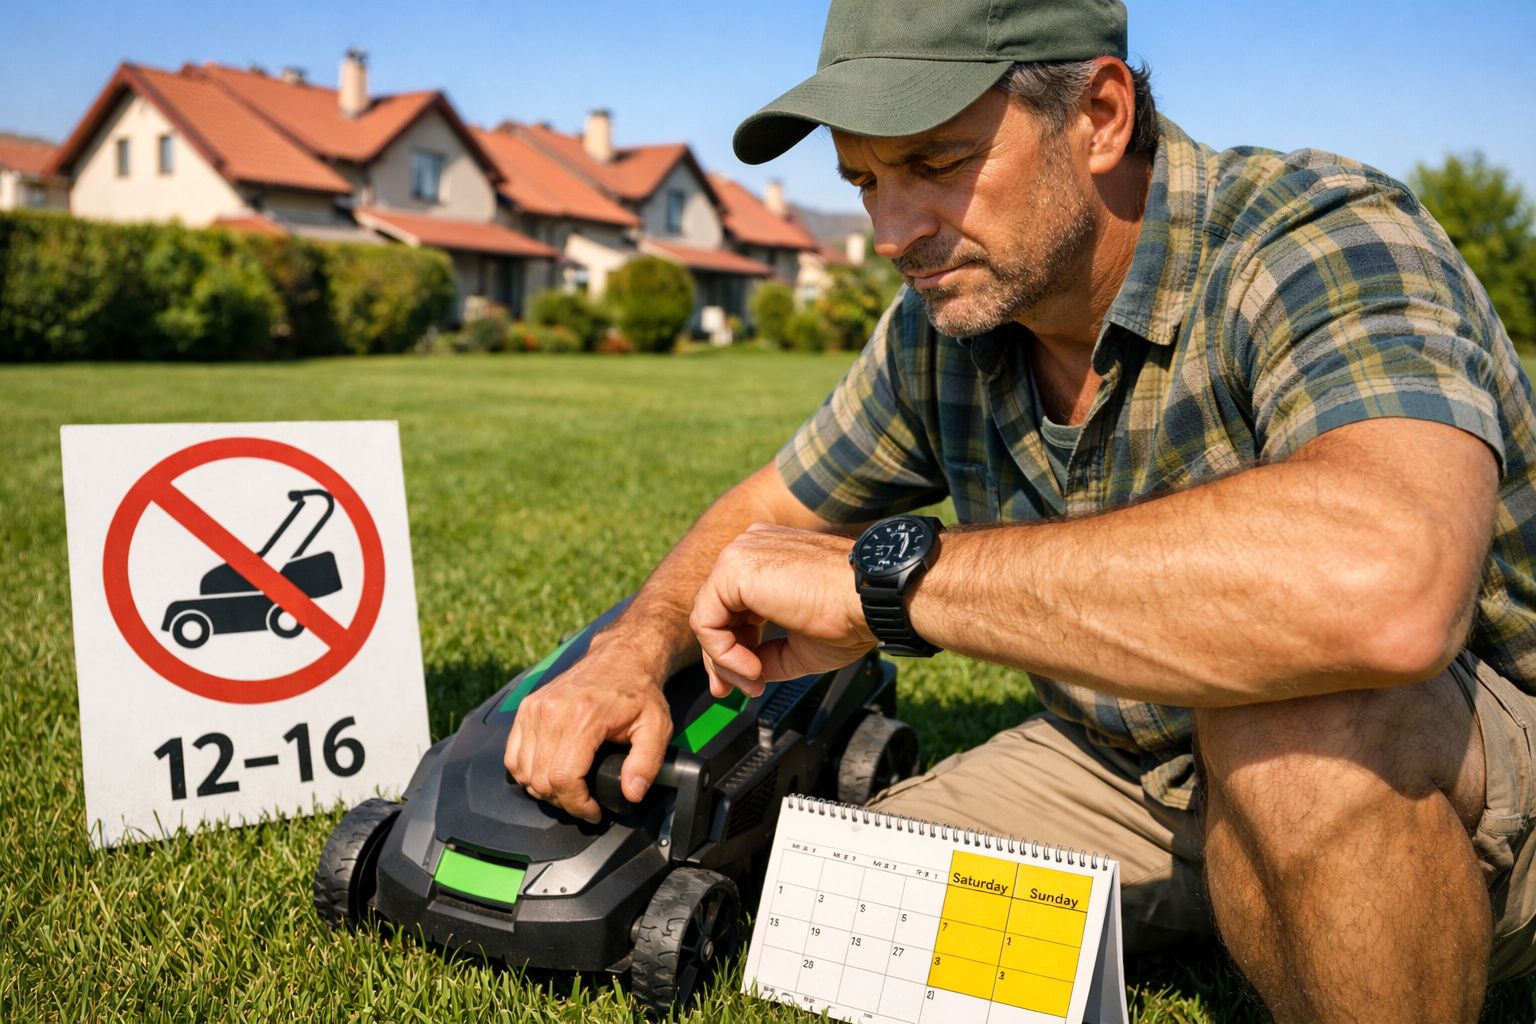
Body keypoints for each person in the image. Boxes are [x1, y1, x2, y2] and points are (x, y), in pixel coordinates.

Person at [504, 1, 1536, 1019]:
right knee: (835, 901)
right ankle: (1261, 893)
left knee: (1304, 714)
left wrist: (891, 585)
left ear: (1100, 115)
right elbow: (769, 508)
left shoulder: (1318, 236)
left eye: (938, 164)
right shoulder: (946, 317)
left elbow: (1388, 590)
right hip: (1129, 767)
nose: (893, 232)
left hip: (1453, 749)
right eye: (865, 180)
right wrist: (631, 650)